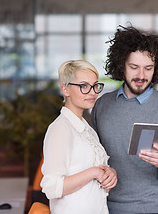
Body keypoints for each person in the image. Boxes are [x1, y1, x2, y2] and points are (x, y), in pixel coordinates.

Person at [91, 24, 158, 214]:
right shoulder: (102, 105)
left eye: (148, 68)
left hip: (149, 209)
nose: (141, 76)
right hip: (101, 207)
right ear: (121, 65)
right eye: (134, 67)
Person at [40, 60, 118, 214]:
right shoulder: (60, 128)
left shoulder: (87, 130)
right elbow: (52, 187)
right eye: (83, 86)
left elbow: (91, 176)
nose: (93, 92)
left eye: (95, 85)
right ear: (65, 90)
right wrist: (94, 172)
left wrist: (108, 174)